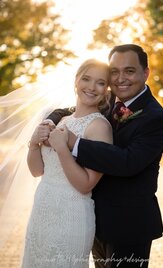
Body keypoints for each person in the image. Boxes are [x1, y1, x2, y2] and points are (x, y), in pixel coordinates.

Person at [46, 44, 163, 268]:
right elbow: (71, 111)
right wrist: (49, 121)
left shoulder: (154, 116)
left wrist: (74, 142)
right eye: (114, 71)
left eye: (129, 71)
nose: (121, 78)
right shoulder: (108, 100)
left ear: (146, 73)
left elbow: (128, 162)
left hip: (130, 226)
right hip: (97, 221)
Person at [21, 59, 113, 268]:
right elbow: (37, 171)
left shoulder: (99, 127)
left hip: (72, 216)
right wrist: (34, 143)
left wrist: (63, 148)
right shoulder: (61, 120)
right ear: (76, 81)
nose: (91, 87)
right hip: (42, 209)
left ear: (106, 90)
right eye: (86, 79)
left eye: (100, 82)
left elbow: (86, 184)